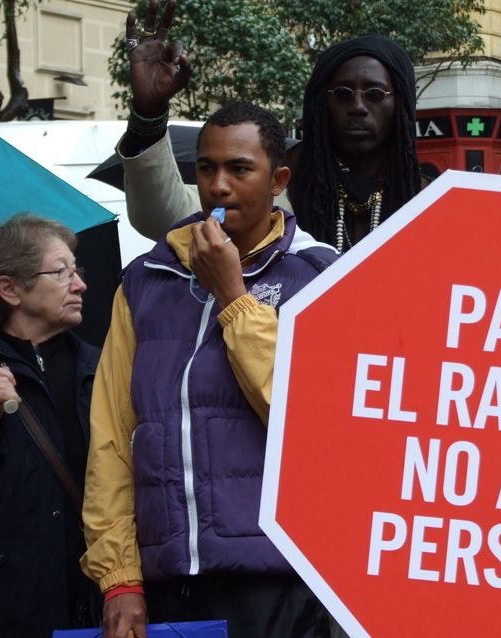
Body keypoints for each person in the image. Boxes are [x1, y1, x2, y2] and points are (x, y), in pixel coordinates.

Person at [81, 102, 339, 638]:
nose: (218, 186)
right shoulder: (146, 281)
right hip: (170, 589)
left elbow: (310, 421)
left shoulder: (317, 274)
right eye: (205, 169)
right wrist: (120, 579)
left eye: (239, 169)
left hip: (282, 587)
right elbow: (112, 437)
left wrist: (233, 297)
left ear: (278, 180)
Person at [118, 0, 421, 252]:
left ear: (401, 106)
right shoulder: (280, 180)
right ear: (320, 105)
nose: (357, 107)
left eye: (375, 94)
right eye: (341, 94)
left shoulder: (427, 196)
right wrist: (150, 112)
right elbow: (163, 217)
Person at [0, 213, 101, 636]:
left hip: (90, 603)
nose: (80, 285)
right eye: (61, 272)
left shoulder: (100, 368)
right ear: (10, 289)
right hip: (10, 610)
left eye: (77, 270)